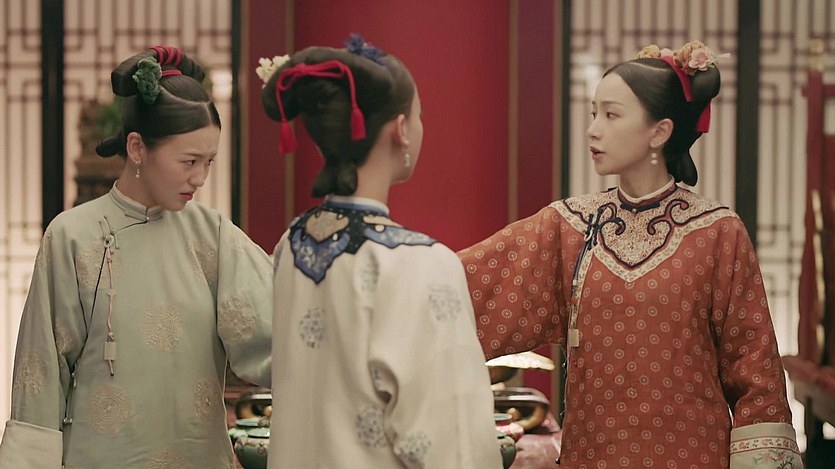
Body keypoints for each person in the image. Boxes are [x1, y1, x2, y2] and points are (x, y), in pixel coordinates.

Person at [459, 41, 804, 468]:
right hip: (594, 454)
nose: (593, 130)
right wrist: (397, 268)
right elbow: (468, 284)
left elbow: (755, 368)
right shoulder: (567, 227)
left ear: (659, 132)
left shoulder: (718, 232)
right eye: (593, 113)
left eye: (611, 115)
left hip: (695, 456)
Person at [0, 46, 273, 468]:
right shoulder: (72, 236)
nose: (200, 178)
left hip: (196, 456)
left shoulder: (214, 236)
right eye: (189, 161)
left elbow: (274, 333)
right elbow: (41, 373)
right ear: (137, 147)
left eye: (209, 162)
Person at [260, 35, 503, 468]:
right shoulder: (419, 263)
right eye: (419, 115)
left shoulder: (292, 244)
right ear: (401, 129)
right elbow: (452, 438)